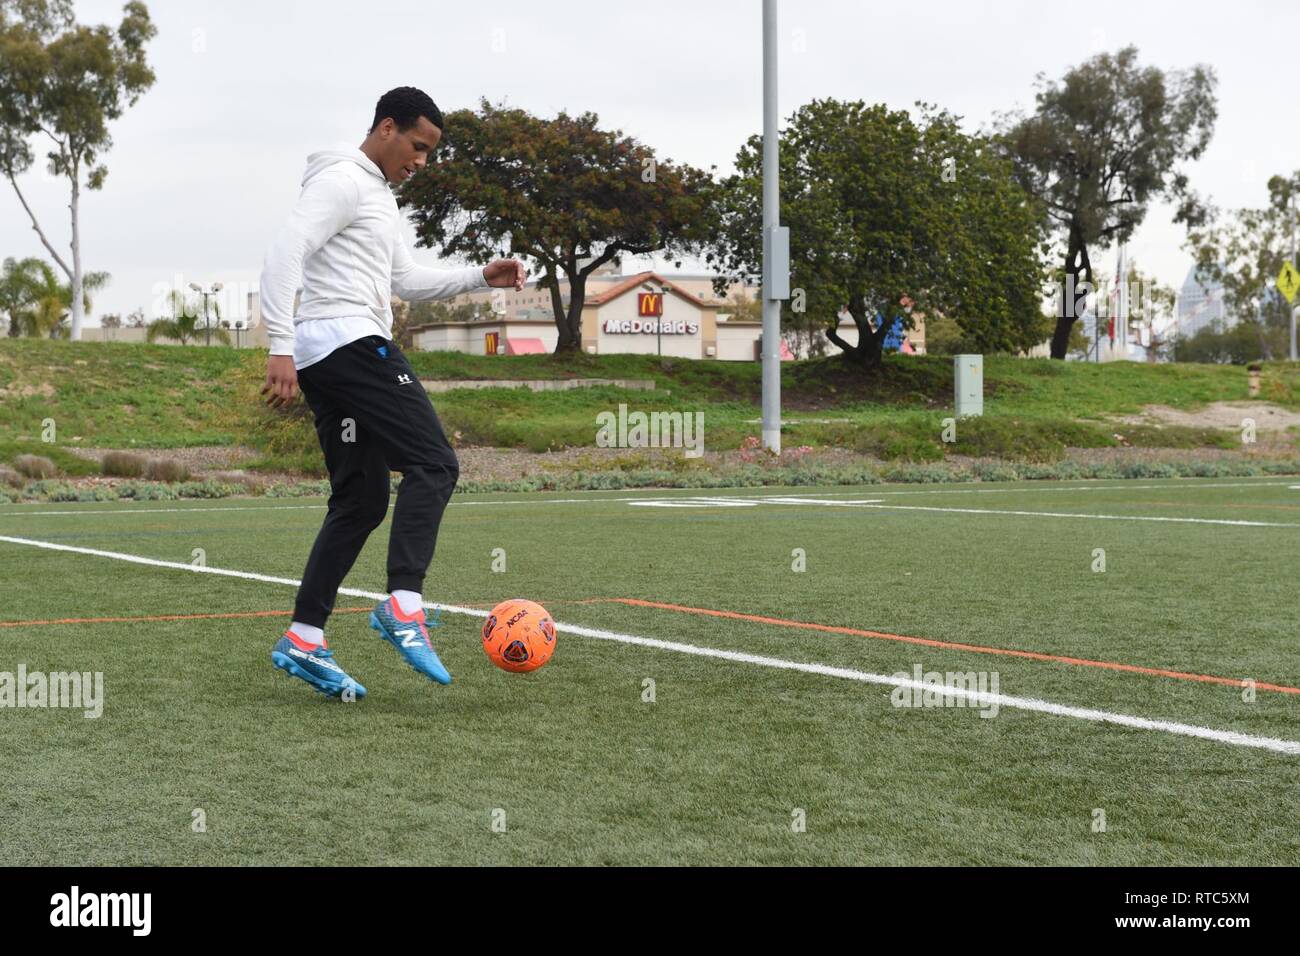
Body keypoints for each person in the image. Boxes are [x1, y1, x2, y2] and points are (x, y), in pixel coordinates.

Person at [259, 86, 525, 699]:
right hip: (351, 345)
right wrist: (278, 343)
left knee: (361, 500)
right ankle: (403, 605)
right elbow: (284, 252)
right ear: (386, 128)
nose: (421, 162)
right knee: (436, 462)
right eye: (418, 147)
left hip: (327, 357)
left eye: (430, 153)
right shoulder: (345, 180)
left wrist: (480, 275)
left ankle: (304, 637)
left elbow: (404, 278)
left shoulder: (377, 196)